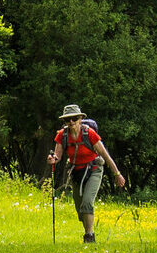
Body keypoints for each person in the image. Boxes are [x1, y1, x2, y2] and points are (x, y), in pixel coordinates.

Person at [47, 104, 128, 243]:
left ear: (80, 119)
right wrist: (52, 159)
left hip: (94, 170)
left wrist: (117, 174)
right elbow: (58, 156)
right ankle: (88, 232)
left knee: (87, 203)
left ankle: (89, 236)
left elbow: (105, 155)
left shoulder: (89, 133)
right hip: (75, 172)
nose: (71, 122)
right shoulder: (62, 135)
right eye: (67, 120)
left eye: (74, 118)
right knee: (80, 208)